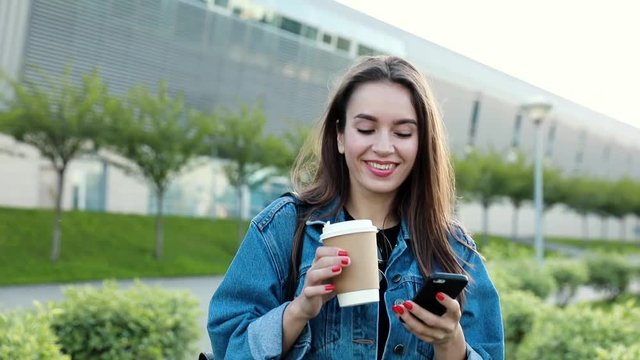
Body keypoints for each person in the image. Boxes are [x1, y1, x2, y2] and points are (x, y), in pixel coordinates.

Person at [207, 55, 504, 359]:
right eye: (365, 129)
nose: (384, 147)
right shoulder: (283, 228)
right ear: (339, 135)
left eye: (403, 133)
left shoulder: (454, 248)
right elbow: (228, 343)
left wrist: (450, 342)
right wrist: (298, 311)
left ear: (421, 143)